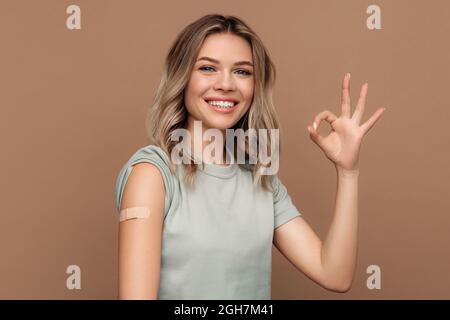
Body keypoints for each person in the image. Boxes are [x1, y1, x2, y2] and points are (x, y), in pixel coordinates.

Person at [114, 14, 386, 300]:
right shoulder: (151, 174)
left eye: (242, 72)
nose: (226, 84)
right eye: (208, 68)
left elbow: (335, 274)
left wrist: (348, 172)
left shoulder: (260, 179)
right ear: (182, 78)